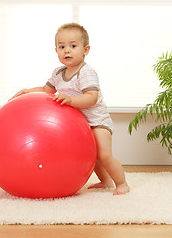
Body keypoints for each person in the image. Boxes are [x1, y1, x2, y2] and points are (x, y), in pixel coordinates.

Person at [11, 23, 130, 195]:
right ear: (56, 50)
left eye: (73, 46)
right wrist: (28, 91)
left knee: (103, 155)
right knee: (92, 157)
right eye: (62, 47)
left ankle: (122, 183)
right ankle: (105, 181)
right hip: (77, 126)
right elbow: (46, 90)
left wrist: (70, 100)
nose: (67, 50)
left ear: (86, 50)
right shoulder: (58, 73)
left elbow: (91, 97)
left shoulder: (86, 72)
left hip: (97, 122)